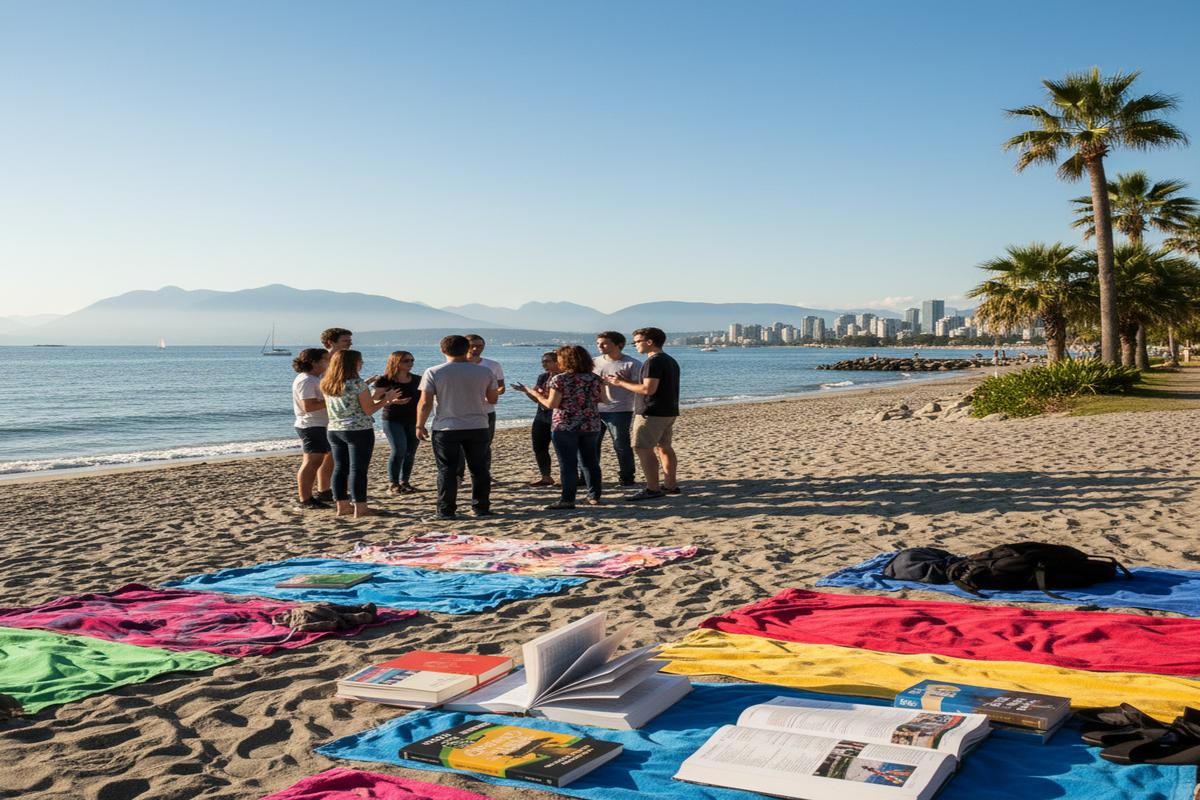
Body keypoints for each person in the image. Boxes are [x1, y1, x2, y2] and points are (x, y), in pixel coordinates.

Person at [416, 335, 499, 519]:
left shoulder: (434, 372)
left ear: (442, 350)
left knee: (447, 470)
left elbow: (425, 403)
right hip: (478, 425)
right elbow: (493, 399)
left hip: (447, 427)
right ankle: (481, 508)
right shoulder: (484, 372)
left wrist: (419, 425)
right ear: (466, 349)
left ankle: (446, 510)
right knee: (479, 469)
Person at [320, 349, 400, 517]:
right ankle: (360, 507)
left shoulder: (327, 383)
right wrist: (387, 399)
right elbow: (369, 409)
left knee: (340, 468)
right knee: (358, 470)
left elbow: (350, 401)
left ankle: (342, 506)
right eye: (359, 361)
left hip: (335, 429)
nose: (362, 363)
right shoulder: (357, 383)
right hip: (358, 430)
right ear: (352, 363)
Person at [523, 345, 603, 510]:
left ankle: (567, 499)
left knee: (568, 463)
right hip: (591, 423)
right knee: (590, 462)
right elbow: (601, 399)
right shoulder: (594, 378)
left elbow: (551, 404)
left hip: (565, 424)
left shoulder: (560, 379)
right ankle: (594, 496)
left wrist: (536, 394)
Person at [604, 327, 680, 500]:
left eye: (637, 341)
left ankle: (653, 488)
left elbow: (648, 389)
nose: (635, 345)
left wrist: (621, 383)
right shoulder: (669, 360)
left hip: (651, 412)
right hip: (668, 410)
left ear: (649, 342)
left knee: (643, 448)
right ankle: (670, 484)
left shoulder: (653, 361)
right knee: (664, 447)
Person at [592, 331, 641, 487]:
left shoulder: (632, 363)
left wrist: (621, 381)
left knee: (620, 444)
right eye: (598, 343)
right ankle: (589, 476)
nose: (600, 346)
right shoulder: (593, 362)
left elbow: (640, 387)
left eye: (604, 343)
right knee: (591, 445)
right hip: (594, 409)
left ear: (619, 345)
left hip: (620, 409)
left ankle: (627, 476)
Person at [457, 334, 505, 483]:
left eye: (481, 346)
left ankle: (485, 474)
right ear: (465, 347)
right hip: (462, 411)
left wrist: (492, 393)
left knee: (485, 445)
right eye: (473, 346)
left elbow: (501, 387)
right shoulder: (457, 365)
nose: (477, 349)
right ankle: (459, 475)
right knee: (459, 446)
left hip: (487, 411)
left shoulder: (493, 365)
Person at [375, 351, 422, 495]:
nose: (410, 363)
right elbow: (374, 400)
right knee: (398, 450)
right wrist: (391, 400)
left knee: (410, 452)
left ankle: (405, 482)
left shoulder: (418, 379)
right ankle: (393, 484)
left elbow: (425, 400)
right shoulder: (385, 380)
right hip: (392, 418)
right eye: (406, 361)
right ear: (396, 362)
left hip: (413, 419)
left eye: (412, 360)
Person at [291, 348, 332, 510]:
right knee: (311, 462)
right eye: (325, 359)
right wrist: (332, 400)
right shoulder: (306, 380)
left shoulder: (314, 379)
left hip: (319, 424)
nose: (328, 363)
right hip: (310, 425)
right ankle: (305, 499)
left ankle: (317, 494)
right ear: (314, 362)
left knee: (318, 460)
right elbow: (308, 406)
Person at [512, 352, 560, 486]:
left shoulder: (565, 377)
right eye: (543, 361)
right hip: (542, 415)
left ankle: (571, 476)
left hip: (558, 415)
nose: (544, 364)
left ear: (557, 362)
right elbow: (537, 399)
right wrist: (527, 392)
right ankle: (546, 476)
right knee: (539, 447)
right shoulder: (543, 377)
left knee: (562, 448)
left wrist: (538, 395)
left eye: (547, 361)